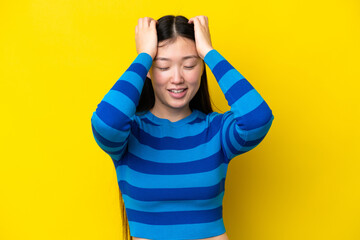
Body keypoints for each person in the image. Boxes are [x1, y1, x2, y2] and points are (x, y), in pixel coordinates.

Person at [91, 15, 274, 240]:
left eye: (189, 65)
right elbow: (108, 121)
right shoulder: (130, 134)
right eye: (163, 66)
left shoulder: (216, 131)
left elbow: (258, 118)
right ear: (148, 70)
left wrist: (208, 51)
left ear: (201, 68)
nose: (177, 78)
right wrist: (144, 56)